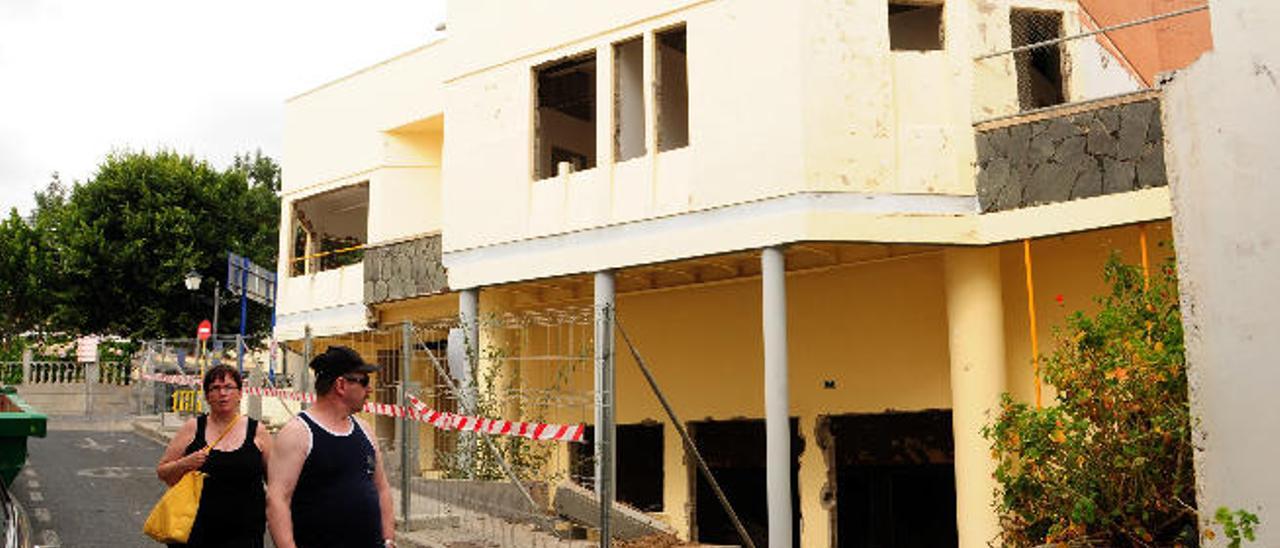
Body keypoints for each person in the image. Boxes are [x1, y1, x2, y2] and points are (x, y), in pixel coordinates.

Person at [266, 346, 395, 548]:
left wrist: (388, 540)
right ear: (341, 385)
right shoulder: (298, 434)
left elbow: (382, 489)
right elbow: (277, 501)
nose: (369, 390)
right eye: (364, 381)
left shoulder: (365, 430)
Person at [155, 365, 272, 547]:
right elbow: (163, 472)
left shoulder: (258, 431)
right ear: (207, 396)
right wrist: (184, 463)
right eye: (215, 388)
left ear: (240, 393)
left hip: (244, 532)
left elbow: (275, 482)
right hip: (195, 530)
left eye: (228, 387)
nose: (222, 393)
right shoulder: (193, 428)